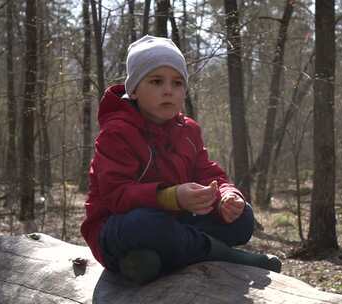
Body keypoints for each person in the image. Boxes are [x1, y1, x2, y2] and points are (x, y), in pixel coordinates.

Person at [80, 35, 281, 285]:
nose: (168, 90)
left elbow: (209, 174)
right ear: (133, 89)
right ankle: (224, 255)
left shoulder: (188, 131)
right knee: (146, 224)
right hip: (116, 229)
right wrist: (172, 196)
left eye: (177, 83)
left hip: (173, 226)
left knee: (243, 218)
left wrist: (226, 197)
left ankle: (148, 262)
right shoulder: (117, 132)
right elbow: (116, 196)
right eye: (156, 81)